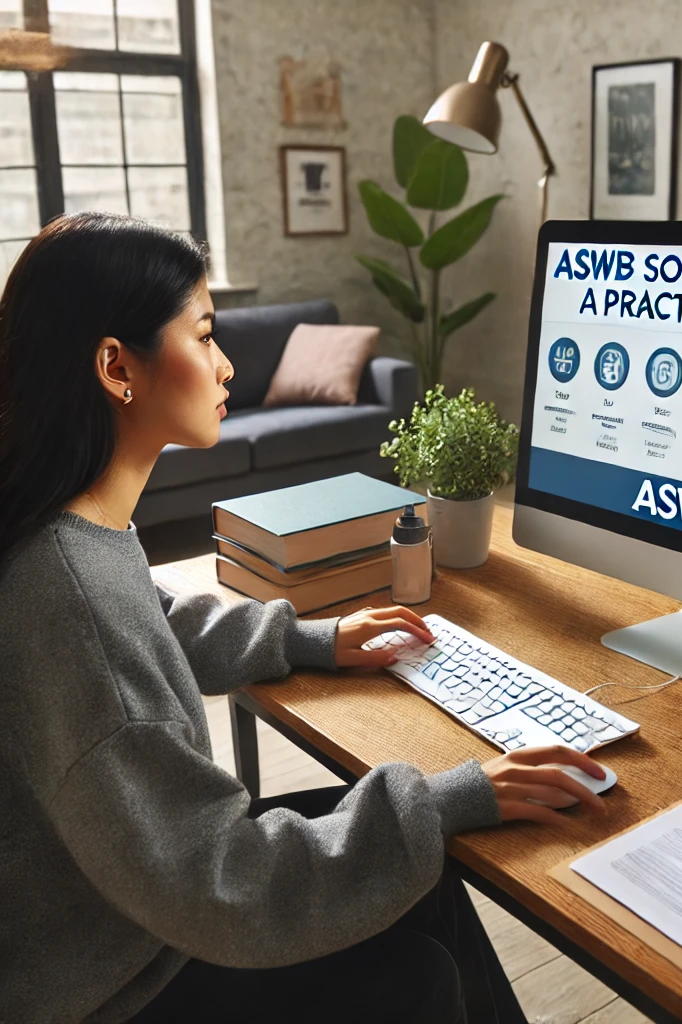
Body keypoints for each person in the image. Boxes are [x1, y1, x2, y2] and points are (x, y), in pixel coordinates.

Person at [0, 213, 609, 1024]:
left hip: (130, 899)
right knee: (415, 977)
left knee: (424, 877)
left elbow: (150, 620)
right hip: (114, 976)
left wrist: (306, 640)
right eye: (205, 335)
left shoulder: (63, 527)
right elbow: (221, 880)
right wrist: (451, 796)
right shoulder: (64, 595)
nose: (225, 367)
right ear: (117, 366)